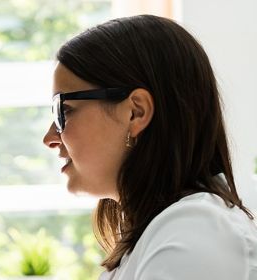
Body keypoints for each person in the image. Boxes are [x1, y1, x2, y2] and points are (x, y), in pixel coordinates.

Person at [43, 15, 257, 280]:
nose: (50, 137)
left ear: (136, 112)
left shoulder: (194, 231)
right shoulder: (163, 234)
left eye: (64, 110)